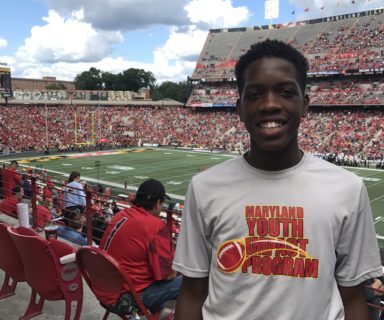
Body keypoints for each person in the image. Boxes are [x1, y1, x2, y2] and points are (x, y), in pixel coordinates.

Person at [172, 39, 383, 320]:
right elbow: (192, 293)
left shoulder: (348, 188)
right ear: (239, 108)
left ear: (305, 104)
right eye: (255, 94)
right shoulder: (204, 187)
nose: (270, 105)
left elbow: (353, 298)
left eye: (285, 92)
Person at [100, 179, 181, 318]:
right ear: (157, 203)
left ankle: (158, 313)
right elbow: (167, 276)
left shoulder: (121, 215)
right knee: (193, 281)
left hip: (103, 288)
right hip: (125, 299)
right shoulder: (155, 226)